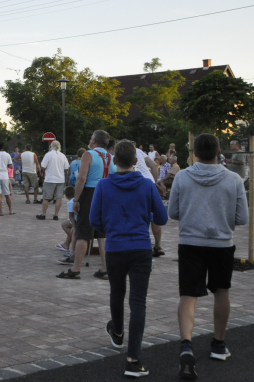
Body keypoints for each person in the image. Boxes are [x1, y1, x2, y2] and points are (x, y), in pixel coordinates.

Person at [169, 133, 249, 379]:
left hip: (191, 242)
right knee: (221, 291)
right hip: (221, 244)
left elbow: (173, 212)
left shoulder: (182, 176)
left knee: (188, 295)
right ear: (219, 153)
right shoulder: (233, 179)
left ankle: (185, 344)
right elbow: (242, 218)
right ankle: (218, 344)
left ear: (194, 153)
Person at [90, 140, 168, 378]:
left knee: (116, 291)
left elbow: (94, 220)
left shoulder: (104, 185)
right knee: (138, 302)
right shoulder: (146, 185)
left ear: (114, 161)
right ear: (135, 161)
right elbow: (162, 218)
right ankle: (133, 359)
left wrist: (112, 227)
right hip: (140, 247)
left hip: (114, 247)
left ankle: (118, 333)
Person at [58, 130, 111, 280]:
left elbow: (82, 178)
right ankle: (105, 268)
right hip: (106, 193)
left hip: (90, 194)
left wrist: (76, 200)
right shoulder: (111, 157)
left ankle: (75, 269)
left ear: (94, 141)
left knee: (83, 232)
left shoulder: (89, 154)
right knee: (102, 234)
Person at [38, 141, 69, 220]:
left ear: (51, 146)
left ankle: (43, 214)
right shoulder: (63, 156)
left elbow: (43, 166)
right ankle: (56, 215)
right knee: (59, 198)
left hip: (50, 179)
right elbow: (66, 167)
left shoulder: (48, 155)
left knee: (46, 198)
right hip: (60, 179)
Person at [58, 187, 76, 255]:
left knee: (64, 225)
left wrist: (73, 225)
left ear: (66, 196)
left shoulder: (70, 202)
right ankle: (66, 244)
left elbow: (71, 216)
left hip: (76, 220)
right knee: (69, 227)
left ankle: (75, 239)